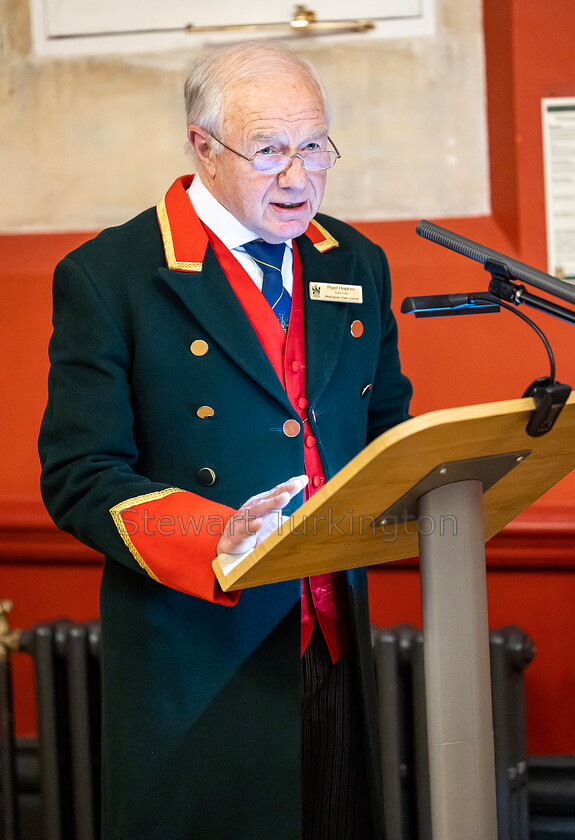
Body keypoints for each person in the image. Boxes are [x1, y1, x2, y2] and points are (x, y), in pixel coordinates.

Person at [39, 40, 412, 840]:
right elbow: (79, 473)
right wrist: (213, 534)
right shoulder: (112, 276)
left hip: (333, 632)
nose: (298, 175)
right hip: (200, 655)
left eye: (314, 146)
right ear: (202, 148)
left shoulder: (353, 260)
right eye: (270, 149)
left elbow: (384, 422)